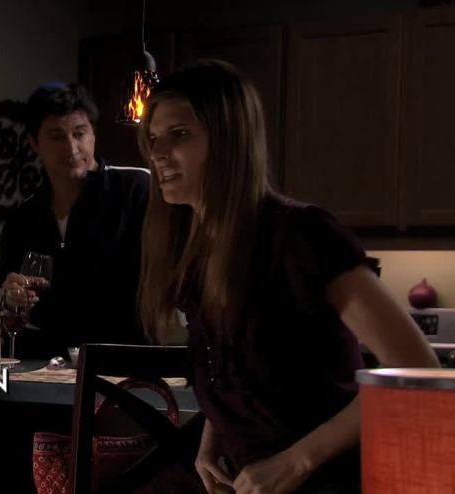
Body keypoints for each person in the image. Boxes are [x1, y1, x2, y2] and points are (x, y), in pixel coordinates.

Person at [137, 60, 440, 494]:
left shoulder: (299, 235)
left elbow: (419, 374)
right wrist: (211, 443)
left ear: (229, 139)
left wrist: (295, 463)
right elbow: (230, 368)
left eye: (179, 134)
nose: (158, 153)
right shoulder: (197, 251)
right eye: (153, 139)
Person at [0, 82, 151, 358]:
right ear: (34, 143)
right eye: (56, 137)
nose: (72, 148)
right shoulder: (23, 219)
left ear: (93, 134)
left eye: (79, 133)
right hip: (46, 367)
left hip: (125, 362)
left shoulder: (136, 189)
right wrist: (9, 302)